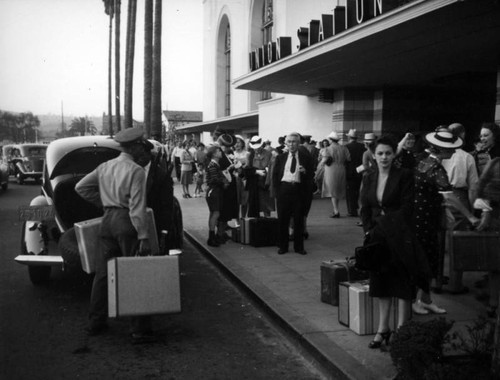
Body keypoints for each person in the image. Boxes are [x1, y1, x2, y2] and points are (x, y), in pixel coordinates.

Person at [75, 127, 156, 344]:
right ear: (136, 146)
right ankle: (139, 328)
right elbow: (137, 207)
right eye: (140, 144)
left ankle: (96, 322)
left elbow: (81, 187)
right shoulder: (136, 170)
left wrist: (104, 204)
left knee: (102, 274)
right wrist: (143, 236)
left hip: (106, 222)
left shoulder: (104, 166)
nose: (142, 147)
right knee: (134, 274)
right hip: (126, 223)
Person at [360, 135, 424, 349]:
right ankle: (382, 329)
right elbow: (365, 207)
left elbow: (408, 208)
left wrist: (386, 225)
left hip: (399, 236)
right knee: (381, 283)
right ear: (374, 155)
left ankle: (401, 331)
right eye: (380, 153)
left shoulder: (405, 175)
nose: (384, 157)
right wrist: (369, 229)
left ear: (394, 154)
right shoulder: (369, 176)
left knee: (402, 283)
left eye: (388, 153)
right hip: (377, 237)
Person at [412, 128, 479, 315]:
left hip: (423, 215)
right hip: (425, 218)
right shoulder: (436, 168)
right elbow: (449, 197)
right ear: (440, 150)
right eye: (450, 149)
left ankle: (425, 299)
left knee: (428, 257)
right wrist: (471, 215)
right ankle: (416, 300)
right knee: (425, 259)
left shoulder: (422, 161)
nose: (453, 151)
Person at [441, 123, 478, 294]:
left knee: (437, 241)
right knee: (457, 243)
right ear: (462, 135)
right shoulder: (466, 157)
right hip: (458, 195)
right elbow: (473, 186)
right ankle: (455, 284)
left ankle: (435, 281)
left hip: (438, 195)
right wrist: (472, 210)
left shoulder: (440, 154)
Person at [272, 132, 314, 255]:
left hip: (298, 190)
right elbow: (275, 175)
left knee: (298, 220)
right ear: (286, 143)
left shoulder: (306, 158)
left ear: (299, 143)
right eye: (289, 142)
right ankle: (283, 247)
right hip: (284, 190)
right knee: (283, 220)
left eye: (294, 141)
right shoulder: (281, 157)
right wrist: (278, 191)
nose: (291, 144)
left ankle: (299, 247)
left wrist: (305, 171)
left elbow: (311, 174)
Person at [474, 156, 500, 317]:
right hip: (495, 217)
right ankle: (493, 300)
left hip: (494, 218)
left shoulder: (496, 163)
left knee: (495, 265)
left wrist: (485, 213)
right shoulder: (496, 163)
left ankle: (493, 301)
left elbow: (482, 187)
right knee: (495, 264)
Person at [321, 131, 350, 217]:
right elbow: (348, 159)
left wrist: (321, 164)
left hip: (331, 169)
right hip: (341, 168)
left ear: (330, 140)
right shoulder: (344, 148)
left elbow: (324, 160)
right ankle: (335, 209)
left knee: (332, 191)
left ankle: (336, 211)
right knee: (337, 190)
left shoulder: (328, 149)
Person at [244, 136, 275, 217]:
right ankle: (255, 226)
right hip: (254, 184)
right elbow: (247, 170)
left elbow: (272, 166)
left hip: (265, 183)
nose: (256, 149)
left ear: (261, 145)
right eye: (254, 148)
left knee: (266, 206)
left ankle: (267, 223)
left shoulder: (269, 153)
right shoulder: (250, 155)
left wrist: (267, 170)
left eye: (258, 147)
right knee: (254, 207)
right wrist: (256, 171)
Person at [205, 144, 229, 247]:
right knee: (216, 213)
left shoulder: (214, 164)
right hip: (214, 191)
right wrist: (224, 181)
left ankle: (212, 236)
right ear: (214, 154)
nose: (221, 153)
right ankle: (211, 237)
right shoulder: (213, 165)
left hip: (213, 191)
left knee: (213, 214)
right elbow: (214, 179)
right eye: (219, 151)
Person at [216, 133, 239, 241]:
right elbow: (219, 172)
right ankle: (219, 234)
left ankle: (223, 230)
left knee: (227, 209)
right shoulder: (218, 156)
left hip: (230, 186)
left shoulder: (228, 155)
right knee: (223, 210)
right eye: (225, 146)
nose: (228, 148)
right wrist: (230, 167)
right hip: (223, 187)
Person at [345, 129, 365, 217]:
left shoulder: (346, 147)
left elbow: (345, 160)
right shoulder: (362, 146)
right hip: (360, 171)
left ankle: (352, 210)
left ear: (349, 137)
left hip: (349, 172)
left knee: (350, 192)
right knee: (358, 191)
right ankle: (358, 208)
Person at [233, 135, 249, 219]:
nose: (236, 144)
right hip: (235, 179)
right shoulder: (232, 154)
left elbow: (248, 166)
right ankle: (236, 220)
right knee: (235, 201)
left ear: (242, 143)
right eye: (235, 142)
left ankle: (243, 217)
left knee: (244, 200)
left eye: (238, 142)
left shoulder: (247, 154)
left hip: (244, 179)